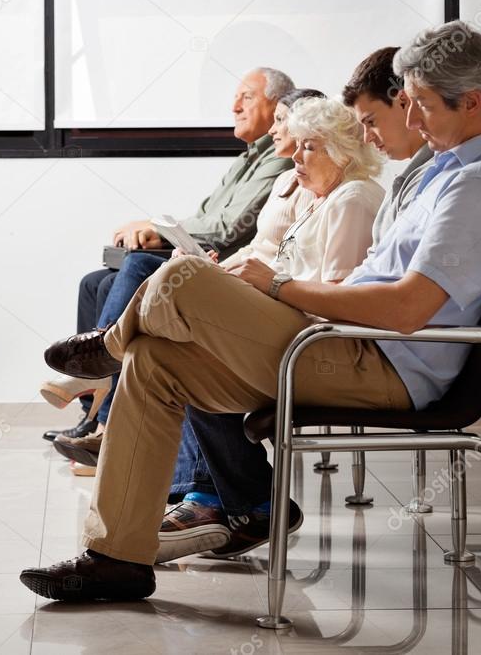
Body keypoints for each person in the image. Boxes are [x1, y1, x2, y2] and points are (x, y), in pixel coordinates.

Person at [19, 21, 481, 602]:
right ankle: (117, 556)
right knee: (155, 358)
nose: (412, 120)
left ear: (470, 102)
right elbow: (381, 282)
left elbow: (405, 308)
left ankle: (106, 349)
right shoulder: (440, 172)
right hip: (345, 342)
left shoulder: (477, 187)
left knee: (181, 276)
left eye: (420, 106)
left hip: (381, 366)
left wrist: (282, 287)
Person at [156, 46, 436, 562]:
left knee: (182, 303)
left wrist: (264, 286)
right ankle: (215, 496)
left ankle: (224, 495)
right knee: (179, 324)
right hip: (305, 324)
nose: (294, 156)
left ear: (342, 150)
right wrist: (249, 282)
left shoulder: (354, 198)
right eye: (297, 145)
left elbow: (335, 299)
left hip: (324, 338)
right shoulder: (323, 196)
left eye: (309, 147)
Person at [50, 87, 332, 466]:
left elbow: (236, 233)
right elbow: (248, 238)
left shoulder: (294, 175)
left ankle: (104, 396)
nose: (237, 108)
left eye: (250, 99)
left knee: (143, 275)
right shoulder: (275, 172)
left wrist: (180, 242)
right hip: (241, 269)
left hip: (261, 287)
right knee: (98, 281)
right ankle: (98, 411)